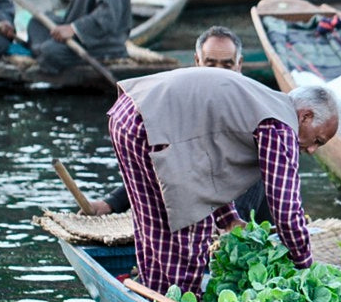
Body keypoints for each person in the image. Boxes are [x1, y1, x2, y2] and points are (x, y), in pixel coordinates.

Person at [108, 66, 340, 294]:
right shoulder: (281, 125)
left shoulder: (264, 101)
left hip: (128, 113)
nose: (311, 150)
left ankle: (155, 297)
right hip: (149, 125)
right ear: (306, 116)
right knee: (189, 236)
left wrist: (229, 219)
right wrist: (305, 267)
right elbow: (286, 209)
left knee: (154, 228)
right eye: (317, 140)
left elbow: (213, 166)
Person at [88, 25, 249, 216]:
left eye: (227, 65)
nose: (218, 73)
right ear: (197, 62)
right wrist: (112, 203)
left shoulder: (252, 108)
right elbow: (156, 164)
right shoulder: (182, 106)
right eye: (211, 64)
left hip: (246, 212)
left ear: (239, 65)